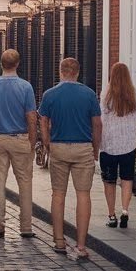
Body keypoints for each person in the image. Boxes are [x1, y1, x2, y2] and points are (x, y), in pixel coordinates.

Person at [38, 57, 102, 260]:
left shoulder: (50, 94)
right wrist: (96, 148)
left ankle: (59, 241)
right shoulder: (89, 94)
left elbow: (43, 121)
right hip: (83, 147)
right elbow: (97, 123)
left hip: (59, 147)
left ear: (61, 72)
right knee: (83, 195)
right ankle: (81, 246)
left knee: (58, 195)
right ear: (78, 73)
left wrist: (47, 142)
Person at [0, 49, 38, 239]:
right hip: (20, 139)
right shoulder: (26, 87)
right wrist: (32, 142)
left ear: (1, 64)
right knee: (25, 184)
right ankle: (26, 226)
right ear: (17, 64)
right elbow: (32, 118)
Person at [99, 62, 136, 229]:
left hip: (109, 145)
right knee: (127, 178)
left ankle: (111, 215)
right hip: (128, 145)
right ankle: (124, 211)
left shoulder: (106, 95)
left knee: (109, 181)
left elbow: (101, 120)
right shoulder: (133, 95)